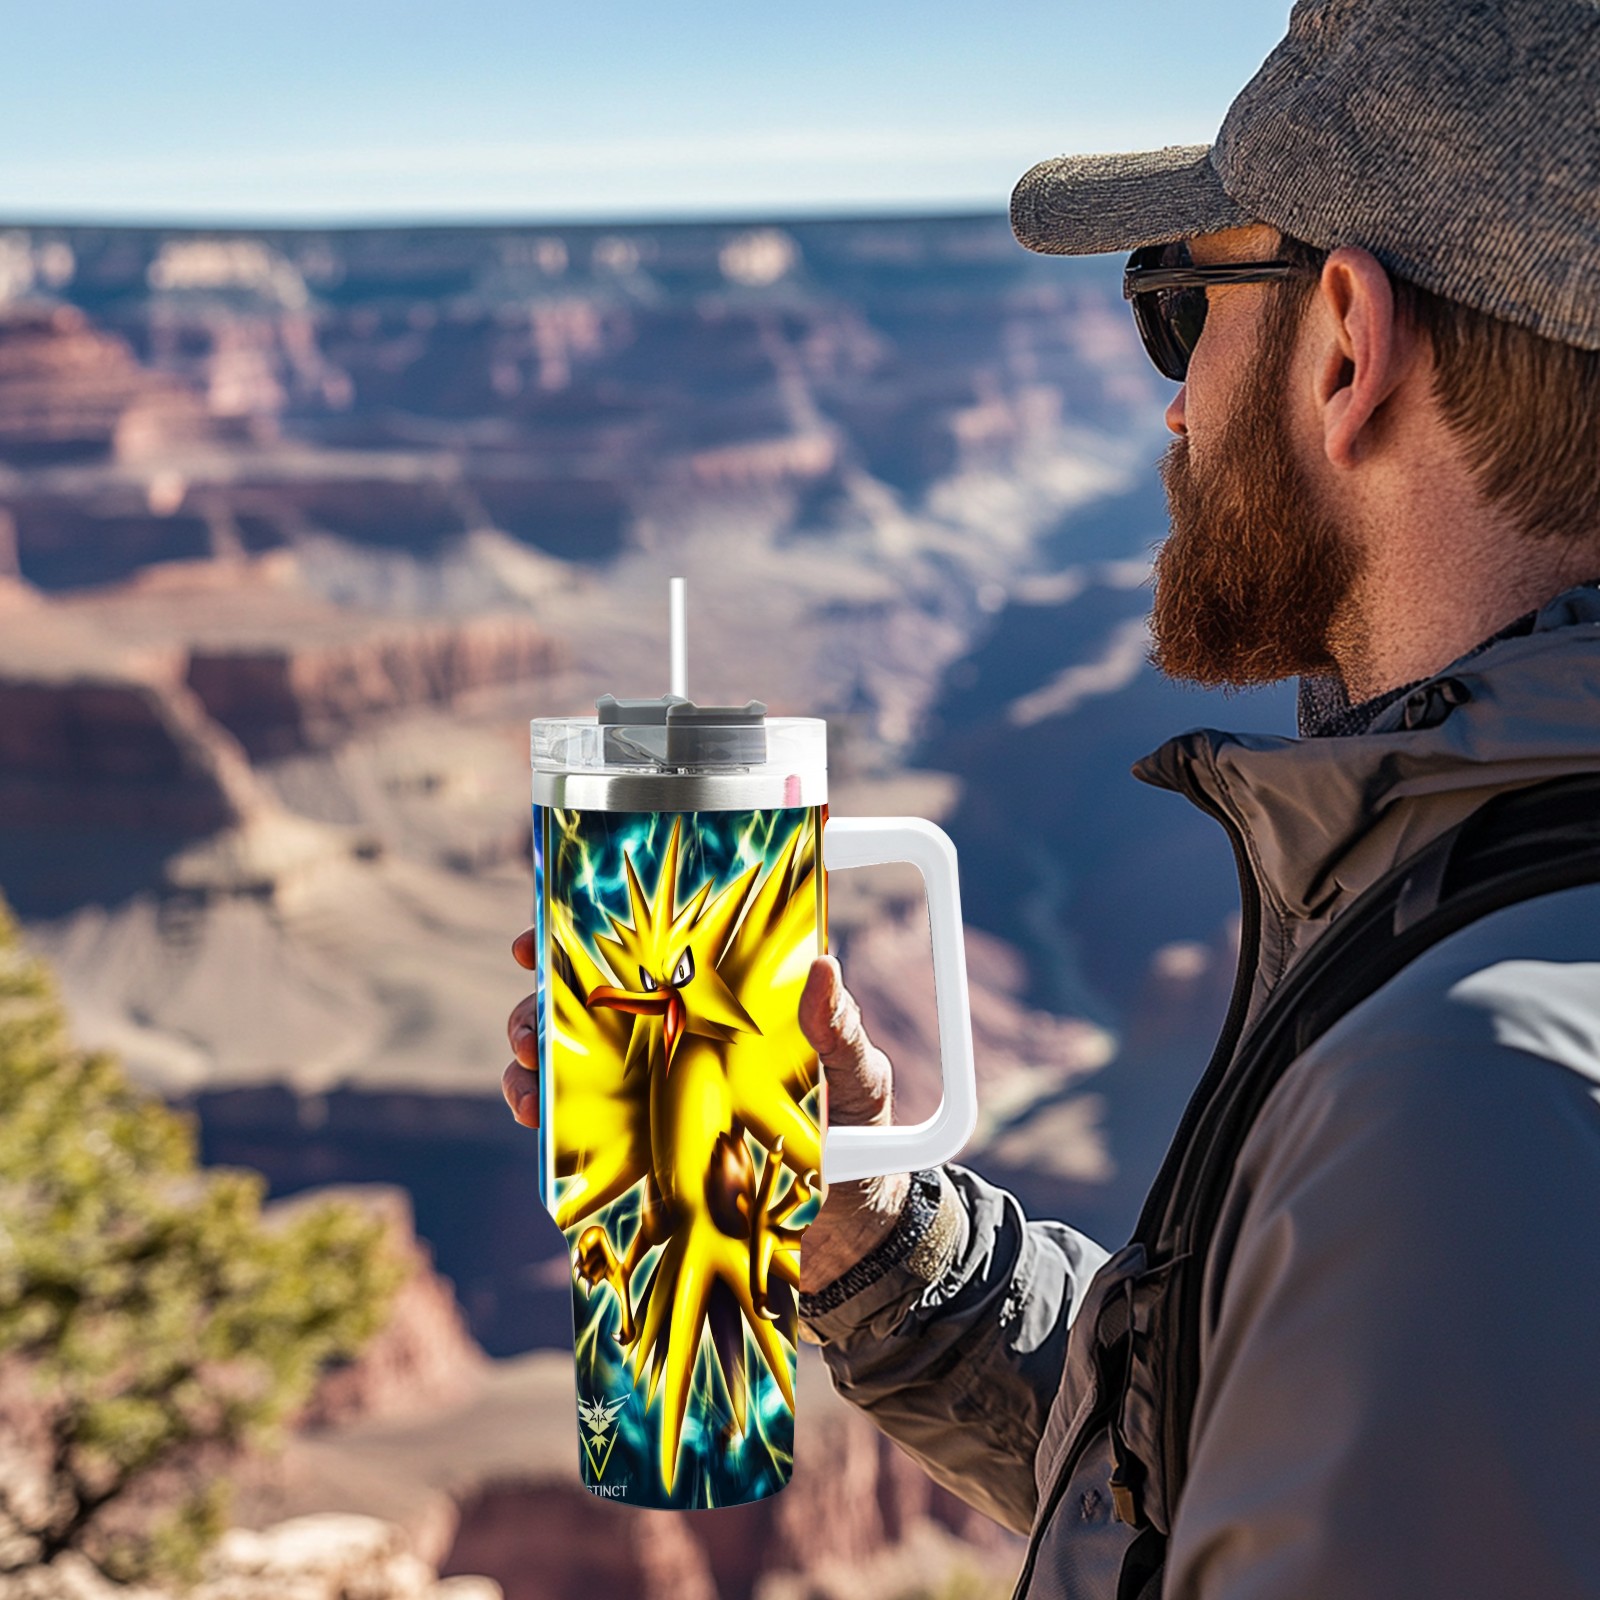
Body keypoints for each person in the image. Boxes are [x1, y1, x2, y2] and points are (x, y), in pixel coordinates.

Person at [504, 0, 1600, 1591]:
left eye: (1181, 305)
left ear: (1347, 344)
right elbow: (1232, 1469)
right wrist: (863, 1221)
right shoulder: (1492, 957)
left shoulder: (1459, 1104)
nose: (1173, 402)